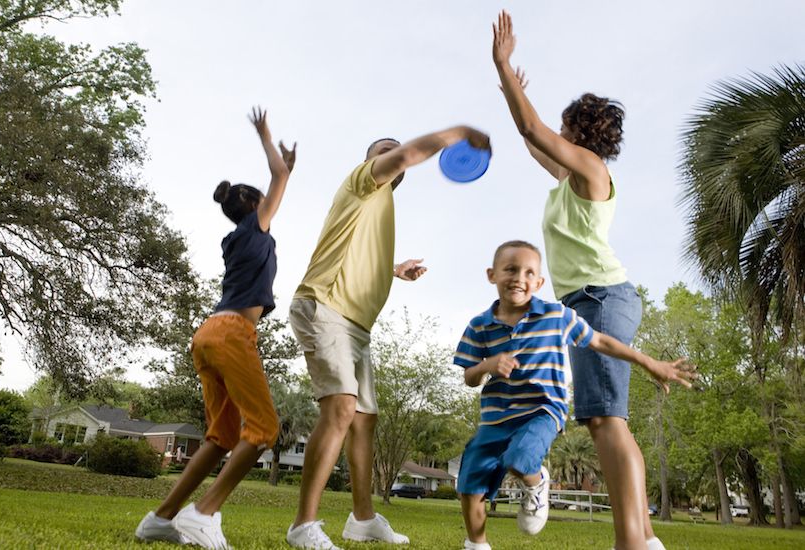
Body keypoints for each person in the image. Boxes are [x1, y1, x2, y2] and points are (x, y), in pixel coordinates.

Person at [491, 10, 687, 550]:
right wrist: (509, 88)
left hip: (600, 299)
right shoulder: (569, 175)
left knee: (604, 421)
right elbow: (529, 139)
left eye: (565, 125)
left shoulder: (592, 169)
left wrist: (503, 66)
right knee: (610, 420)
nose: (558, 132)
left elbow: (535, 130)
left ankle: (630, 542)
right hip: (593, 301)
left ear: (580, 131)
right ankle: (644, 539)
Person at [286, 126, 491, 550]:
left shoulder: (381, 205)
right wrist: (458, 133)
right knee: (342, 408)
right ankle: (303, 524)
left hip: (356, 326)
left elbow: (358, 256)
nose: (393, 154)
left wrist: (394, 270)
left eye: (395, 152)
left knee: (364, 421)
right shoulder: (363, 181)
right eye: (384, 150)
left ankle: (362, 519)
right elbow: (404, 155)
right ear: (371, 161)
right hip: (324, 307)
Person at [454, 241, 694, 550]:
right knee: (470, 484)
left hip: (542, 411)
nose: (519, 278)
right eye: (510, 270)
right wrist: (488, 364)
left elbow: (601, 342)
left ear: (539, 282)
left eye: (529, 272)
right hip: (495, 419)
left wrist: (648, 362)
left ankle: (537, 483)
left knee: (519, 458)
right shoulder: (479, 326)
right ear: (492, 275)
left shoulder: (556, 315)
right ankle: (476, 545)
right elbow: (469, 378)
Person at [134, 107, 296, 549]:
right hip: (230, 335)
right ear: (256, 206)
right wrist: (267, 135)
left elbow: (278, 181)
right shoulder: (254, 229)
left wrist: (282, 173)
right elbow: (279, 174)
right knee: (263, 430)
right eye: (267, 200)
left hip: (207, 335)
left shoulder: (235, 238)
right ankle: (204, 513)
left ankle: (160, 518)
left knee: (222, 435)